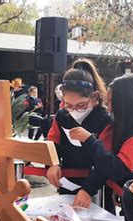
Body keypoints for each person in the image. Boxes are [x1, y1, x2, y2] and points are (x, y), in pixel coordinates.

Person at [69, 74, 133, 211]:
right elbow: (112, 165)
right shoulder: (127, 127)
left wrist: (90, 140)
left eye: (111, 102)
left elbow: (117, 169)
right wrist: (120, 187)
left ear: (126, 103)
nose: (109, 109)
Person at [46, 58, 113, 209]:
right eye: (68, 105)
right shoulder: (62, 116)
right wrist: (52, 164)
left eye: (81, 105)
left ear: (94, 97)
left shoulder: (104, 119)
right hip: (67, 185)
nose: (74, 110)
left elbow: (106, 161)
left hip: (98, 188)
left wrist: (88, 190)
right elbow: (51, 143)